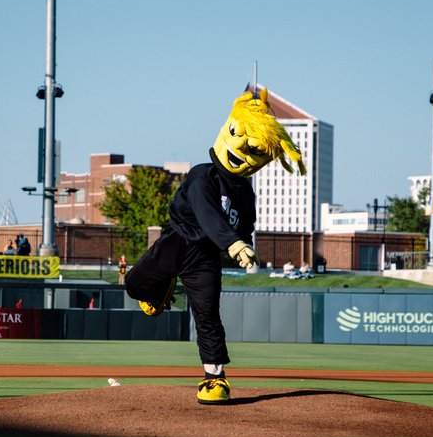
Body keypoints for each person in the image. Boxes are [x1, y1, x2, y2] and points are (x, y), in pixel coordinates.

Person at [125, 87, 304, 405]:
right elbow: (208, 215)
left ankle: (215, 378)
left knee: (207, 315)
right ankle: (162, 285)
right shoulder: (201, 175)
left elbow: (245, 223)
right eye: (239, 135)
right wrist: (233, 243)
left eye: (257, 152)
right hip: (178, 239)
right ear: (227, 129)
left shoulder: (245, 193)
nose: (244, 151)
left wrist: (245, 243)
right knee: (134, 285)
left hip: (205, 257)